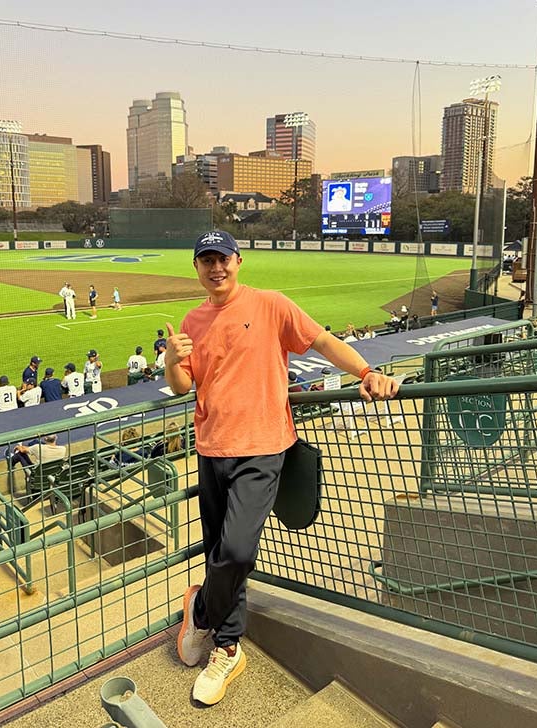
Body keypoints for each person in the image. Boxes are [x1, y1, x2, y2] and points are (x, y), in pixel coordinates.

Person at [164, 230, 399, 706]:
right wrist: (171, 360)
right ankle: (227, 645)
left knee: (234, 552)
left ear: (238, 261)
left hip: (263, 448)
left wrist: (367, 373)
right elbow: (179, 387)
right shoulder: (193, 319)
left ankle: (205, 615)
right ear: (197, 267)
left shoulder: (271, 305)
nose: (216, 268)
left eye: (223, 259)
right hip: (211, 449)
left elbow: (324, 342)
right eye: (206, 260)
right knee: (219, 549)